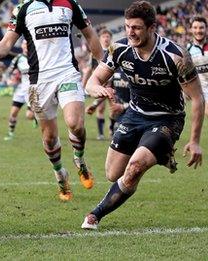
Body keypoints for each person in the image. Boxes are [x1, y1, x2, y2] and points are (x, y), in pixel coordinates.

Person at [81, 1, 204, 230]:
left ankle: (94, 215)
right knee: (112, 174)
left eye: (136, 28)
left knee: (135, 168)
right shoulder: (119, 50)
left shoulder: (176, 56)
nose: (130, 32)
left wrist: (194, 141)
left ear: (151, 28)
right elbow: (92, 81)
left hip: (167, 119)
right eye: (127, 26)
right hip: (134, 116)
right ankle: (160, 154)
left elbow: (197, 98)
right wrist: (96, 88)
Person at [0, 0, 103, 201]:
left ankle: (80, 160)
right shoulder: (23, 8)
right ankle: (60, 175)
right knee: (49, 138)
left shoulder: (69, 3)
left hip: (67, 73)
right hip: (39, 81)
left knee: (75, 124)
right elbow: (7, 42)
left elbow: (90, 34)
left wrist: (103, 65)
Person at [4, 40, 36, 141]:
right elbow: (8, 72)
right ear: (22, 46)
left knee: (29, 116)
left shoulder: (37, 56)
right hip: (22, 89)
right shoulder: (18, 58)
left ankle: (36, 118)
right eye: (24, 44)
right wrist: (9, 80)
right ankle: (10, 134)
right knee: (13, 113)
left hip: (33, 89)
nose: (26, 46)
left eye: (28, 44)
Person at [84, 29, 114, 140]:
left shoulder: (113, 51)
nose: (106, 39)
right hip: (100, 85)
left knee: (114, 109)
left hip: (113, 85)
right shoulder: (95, 54)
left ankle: (112, 132)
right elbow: (90, 70)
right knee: (100, 109)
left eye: (108, 36)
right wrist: (85, 83)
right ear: (100, 38)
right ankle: (101, 134)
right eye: (104, 36)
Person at [187, 16, 208, 116]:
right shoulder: (187, 50)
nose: (198, 31)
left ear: (206, 29)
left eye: (201, 27)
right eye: (195, 27)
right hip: (202, 90)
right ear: (191, 29)